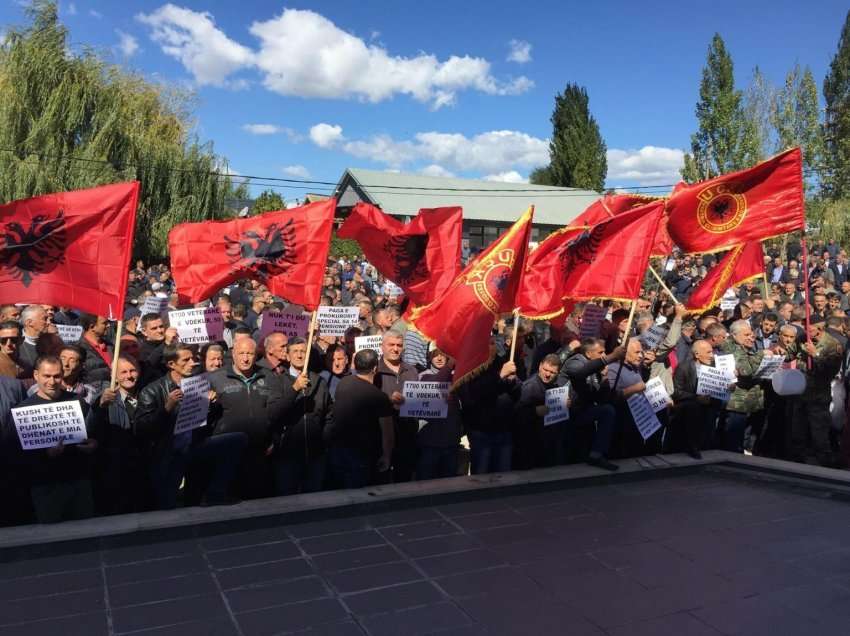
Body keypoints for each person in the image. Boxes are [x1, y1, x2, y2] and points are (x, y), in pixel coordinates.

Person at [136, 343, 246, 509]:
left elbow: (204, 418)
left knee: (237, 440)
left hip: (195, 444)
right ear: (171, 364)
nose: (192, 363)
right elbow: (143, 428)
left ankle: (215, 493)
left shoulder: (199, 382)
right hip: (167, 450)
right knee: (167, 502)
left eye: (193, 359)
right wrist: (167, 408)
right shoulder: (152, 391)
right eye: (186, 360)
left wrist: (212, 403)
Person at [18, 355, 98, 523]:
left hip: (79, 482)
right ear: (35, 375)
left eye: (57, 376)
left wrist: (93, 444)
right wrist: (45, 454)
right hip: (45, 486)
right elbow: (15, 453)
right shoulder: (23, 410)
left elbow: (95, 433)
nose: (52, 381)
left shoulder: (78, 402)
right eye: (47, 376)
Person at [208, 338, 286, 500]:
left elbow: (278, 412)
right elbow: (204, 418)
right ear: (233, 355)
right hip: (227, 451)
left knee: (258, 500)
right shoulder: (215, 378)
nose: (245, 358)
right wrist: (209, 404)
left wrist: (275, 439)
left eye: (250, 353)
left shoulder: (268, 376)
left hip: (261, 450)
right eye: (241, 353)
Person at [324, 349, 395, 488]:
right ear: (375, 368)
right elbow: (388, 433)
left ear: (354, 365)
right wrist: (387, 456)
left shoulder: (344, 383)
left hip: (339, 450)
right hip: (362, 455)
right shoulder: (378, 397)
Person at [273, 337, 333, 495]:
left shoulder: (319, 381)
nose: (299, 355)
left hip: (316, 453)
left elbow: (329, 414)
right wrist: (295, 388)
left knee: (314, 498)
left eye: (303, 352)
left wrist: (324, 439)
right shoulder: (278, 381)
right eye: (295, 351)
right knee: (287, 498)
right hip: (288, 453)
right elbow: (274, 413)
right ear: (287, 355)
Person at [92, 356, 149, 514]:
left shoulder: (148, 393)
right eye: (123, 372)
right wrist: (101, 405)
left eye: (132, 371)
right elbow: (92, 426)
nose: (129, 376)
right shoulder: (106, 398)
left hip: (145, 464)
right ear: (114, 376)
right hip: (117, 468)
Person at [558, 338, 623, 471]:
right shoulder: (575, 362)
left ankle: (597, 455)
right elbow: (580, 373)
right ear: (588, 354)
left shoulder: (596, 369)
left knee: (607, 410)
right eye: (601, 352)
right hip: (564, 414)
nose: (604, 355)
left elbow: (598, 398)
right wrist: (611, 357)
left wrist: (605, 379)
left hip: (582, 412)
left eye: (605, 352)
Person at [787, 319, 844, 467]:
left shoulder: (832, 345)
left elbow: (831, 370)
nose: (807, 331)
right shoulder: (802, 339)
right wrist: (781, 352)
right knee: (797, 429)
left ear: (820, 328)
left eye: (810, 328)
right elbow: (790, 353)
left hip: (818, 395)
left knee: (819, 432)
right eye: (805, 328)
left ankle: (824, 461)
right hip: (800, 392)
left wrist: (816, 354)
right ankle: (798, 458)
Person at [374, 330, 420, 483]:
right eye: (391, 345)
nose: (395, 349)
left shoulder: (412, 370)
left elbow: (421, 400)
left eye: (399, 345)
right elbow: (367, 400)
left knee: (404, 479)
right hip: (381, 437)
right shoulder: (374, 371)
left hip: (407, 435)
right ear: (382, 346)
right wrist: (388, 400)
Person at [672, 340, 725, 459]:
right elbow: (676, 392)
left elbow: (720, 388)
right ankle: (691, 447)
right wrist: (696, 398)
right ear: (696, 355)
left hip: (709, 405)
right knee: (693, 408)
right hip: (689, 406)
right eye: (708, 352)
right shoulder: (684, 367)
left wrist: (728, 384)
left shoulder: (715, 367)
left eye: (712, 351)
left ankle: (705, 446)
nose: (712, 355)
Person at [415, 347, 462, 480]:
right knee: (426, 482)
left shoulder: (455, 376)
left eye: (443, 355)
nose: (440, 358)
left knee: (449, 482)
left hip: (450, 440)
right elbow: (434, 385)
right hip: (430, 442)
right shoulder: (423, 375)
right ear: (429, 358)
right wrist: (449, 366)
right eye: (435, 355)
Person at [721, 320, 766, 453]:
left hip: (747, 402)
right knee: (733, 440)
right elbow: (746, 371)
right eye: (746, 335)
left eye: (751, 334)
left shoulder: (746, 347)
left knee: (742, 438)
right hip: (737, 402)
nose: (750, 337)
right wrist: (761, 355)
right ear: (734, 335)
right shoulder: (732, 348)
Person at [518, 353, 569, 468]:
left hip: (548, 445)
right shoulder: (530, 387)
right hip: (531, 447)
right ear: (540, 366)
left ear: (558, 373)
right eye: (545, 370)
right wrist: (534, 412)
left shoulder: (555, 386)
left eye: (552, 372)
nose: (547, 374)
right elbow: (517, 414)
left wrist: (564, 405)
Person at [78, 313, 113, 386]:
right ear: (92, 327)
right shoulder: (79, 349)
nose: (108, 325)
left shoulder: (111, 346)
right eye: (104, 323)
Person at [18, 305, 48, 375]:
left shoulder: (51, 342)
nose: (48, 322)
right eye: (44, 319)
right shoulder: (15, 344)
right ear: (29, 322)